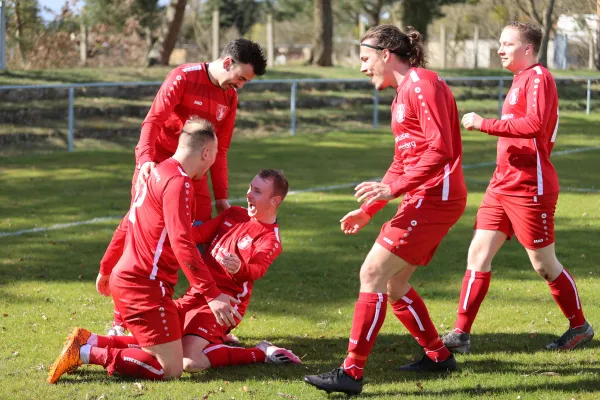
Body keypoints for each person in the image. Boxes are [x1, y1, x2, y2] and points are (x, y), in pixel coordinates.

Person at [303, 24, 467, 395]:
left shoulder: (422, 83)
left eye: (365, 59)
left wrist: (393, 188)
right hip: (423, 196)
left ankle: (352, 372)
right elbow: (402, 161)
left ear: (385, 54)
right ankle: (439, 356)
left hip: (435, 198)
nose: (362, 68)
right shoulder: (400, 96)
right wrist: (371, 209)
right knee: (394, 283)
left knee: (372, 272)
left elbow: (441, 151)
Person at [48, 118, 242, 384]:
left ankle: (90, 339)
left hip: (129, 278)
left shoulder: (158, 171)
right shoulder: (179, 182)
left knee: (161, 347)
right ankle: (85, 352)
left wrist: (107, 268)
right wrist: (213, 295)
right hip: (145, 286)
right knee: (169, 368)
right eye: (213, 158)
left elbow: (126, 224)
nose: (210, 167)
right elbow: (182, 244)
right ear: (206, 153)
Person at [441, 22, 593, 353]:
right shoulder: (520, 79)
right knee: (478, 253)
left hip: (530, 187)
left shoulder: (538, 77)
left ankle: (579, 326)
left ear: (527, 49)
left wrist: (485, 124)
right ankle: (460, 334)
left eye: (507, 44)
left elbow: (534, 124)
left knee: (543, 264)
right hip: (502, 184)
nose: (500, 49)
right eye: (500, 43)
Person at [101, 38, 267, 335]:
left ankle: (203, 317)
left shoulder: (230, 97)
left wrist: (222, 198)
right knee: (140, 235)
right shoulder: (183, 76)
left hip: (197, 178)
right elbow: (152, 122)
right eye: (241, 78)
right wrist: (144, 162)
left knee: (204, 241)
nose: (241, 85)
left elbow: (222, 150)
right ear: (227, 63)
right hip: (159, 169)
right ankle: (120, 322)